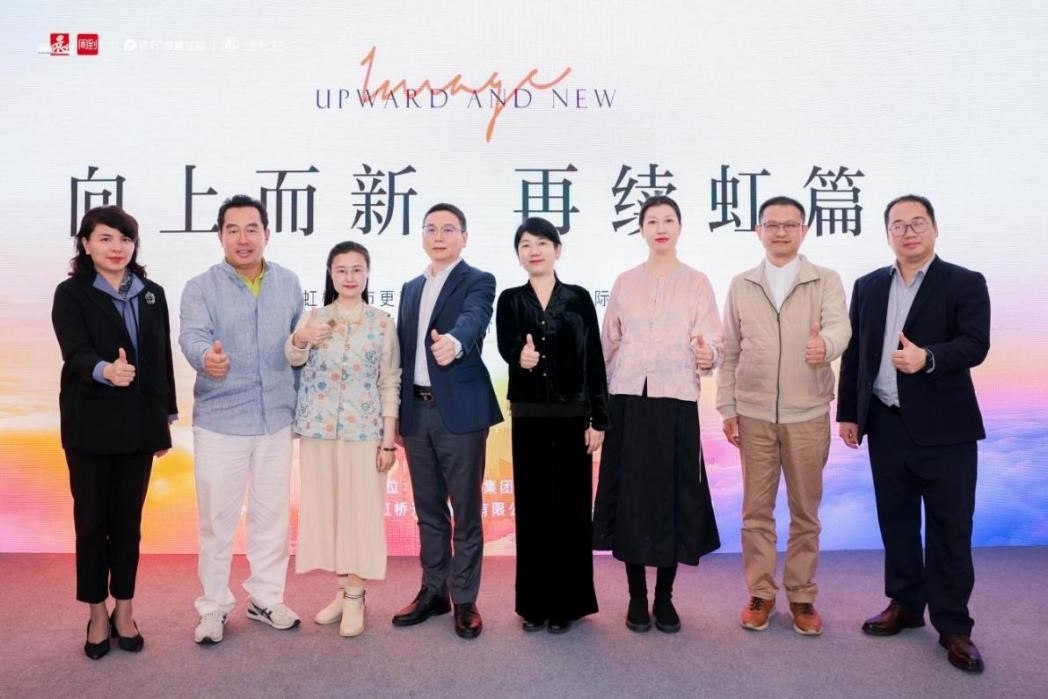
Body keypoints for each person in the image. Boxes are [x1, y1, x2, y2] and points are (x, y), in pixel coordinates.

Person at [837, 194, 990, 673]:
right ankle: (904, 604)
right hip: (886, 423)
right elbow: (856, 355)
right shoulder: (867, 286)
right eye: (898, 225)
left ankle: (954, 625)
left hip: (947, 431)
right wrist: (849, 414)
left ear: (935, 228)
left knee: (949, 528)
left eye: (917, 223)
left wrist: (929, 358)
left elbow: (975, 344)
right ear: (888, 234)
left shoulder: (964, 281)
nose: (908, 232)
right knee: (897, 522)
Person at [716, 196, 851, 636]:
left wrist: (825, 345)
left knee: (805, 511)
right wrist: (728, 407)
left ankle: (802, 595)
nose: (780, 232)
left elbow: (840, 327)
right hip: (753, 414)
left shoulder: (825, 279)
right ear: (758, 231)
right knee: (756, 511)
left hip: (807, 413)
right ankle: (760, 592)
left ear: (803, 230)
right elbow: (730, 351)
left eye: (789, 224)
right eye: (771, 224)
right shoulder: (741, 284)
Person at [51, 206, 177, 659]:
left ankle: (125, 609)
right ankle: (97, 613)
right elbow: (75, 352)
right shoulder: (71, 293)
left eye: (125, 239)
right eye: (105, 238)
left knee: (128, 525)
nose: (117, 247)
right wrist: (106, 370)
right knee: (91, 524)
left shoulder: (152, 294)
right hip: (89, 427)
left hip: (138, 429)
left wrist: (165, 420)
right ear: (86, 244)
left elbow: (161, 360)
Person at [593, 194, 722, 634]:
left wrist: (708, 354)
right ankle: (636, 597)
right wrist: (597, 407)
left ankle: (664, 598)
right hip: (628, 401)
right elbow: (609, 344)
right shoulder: (626, 281)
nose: (661, 228)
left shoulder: (697, 282)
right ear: (642, 229)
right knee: (630, 500)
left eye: (668, 220)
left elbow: (713, 341)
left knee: (672, 500)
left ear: (680, 227)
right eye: (652, 221)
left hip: (675, 401)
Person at [179, 195, 304, 644]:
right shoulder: (200, 287)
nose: (243, 238)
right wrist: (205, 358)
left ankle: (266, 598)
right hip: (221, 419)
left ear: (267, 234)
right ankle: (213, 607)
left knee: (273, 517)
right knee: (217, 520)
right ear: (220, 236)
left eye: (252, 229)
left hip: (276, 418)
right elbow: (192, 336)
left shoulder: (288, 283)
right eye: (232, 230)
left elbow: (299, 345)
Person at [391, 202, 503, 640]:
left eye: (448, 229)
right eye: (431, 229)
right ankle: (433, 591)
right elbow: (402, 353)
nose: (439, 236)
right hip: (416, 413)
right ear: (423, 236)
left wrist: (454, 341)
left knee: (466, 511)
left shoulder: (478, 280)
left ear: (464, 237)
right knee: (428, 510)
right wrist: (397, 415)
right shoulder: (409, 288)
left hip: (460, 414)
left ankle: (465, 599)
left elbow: (475, 319)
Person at [495, 217, 608, 634]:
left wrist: (599, 418)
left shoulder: (578, 299)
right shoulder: (510, 300)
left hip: (573, 418)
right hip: (529, 418)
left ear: (557, 250)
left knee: (572, 512)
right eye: (525, 244)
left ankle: (566, 605)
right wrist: (519, 357)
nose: (534, 250)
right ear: (519, 255)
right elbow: (506, 345)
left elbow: (594, 359)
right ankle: (534, 604)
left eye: (542, 243)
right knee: (533, 512)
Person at [286, 241, 401, 638]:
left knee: (360, 513)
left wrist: (389, 441)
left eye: (357, 269)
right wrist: (302, 337)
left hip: (364, 432)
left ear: (367, 273)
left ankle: (355, 594)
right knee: (330, 512)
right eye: (341, 270)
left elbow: (390, 381)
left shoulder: (382, 323)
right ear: (330, 274)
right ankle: (341, 590)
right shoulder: (315, 317)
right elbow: (293, 357)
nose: (349, 277)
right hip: (318, 431)